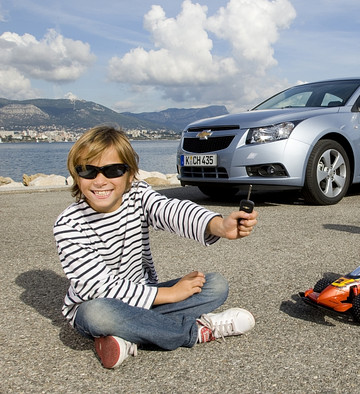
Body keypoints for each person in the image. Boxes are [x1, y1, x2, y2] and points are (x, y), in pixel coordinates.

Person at [53, 125, 259, 368]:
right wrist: (169, 294)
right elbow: (97, 288)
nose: (100, 181)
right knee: (98, 313)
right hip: (97, 304)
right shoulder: (68, 225)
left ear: (130, 175)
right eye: (88, 171)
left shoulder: (138, 195)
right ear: (76, 175)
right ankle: (196, 331)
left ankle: (129, 335)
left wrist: (218, 226)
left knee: (215, 285)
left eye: (113, 170)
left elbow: (172, 211)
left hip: (144, 295)